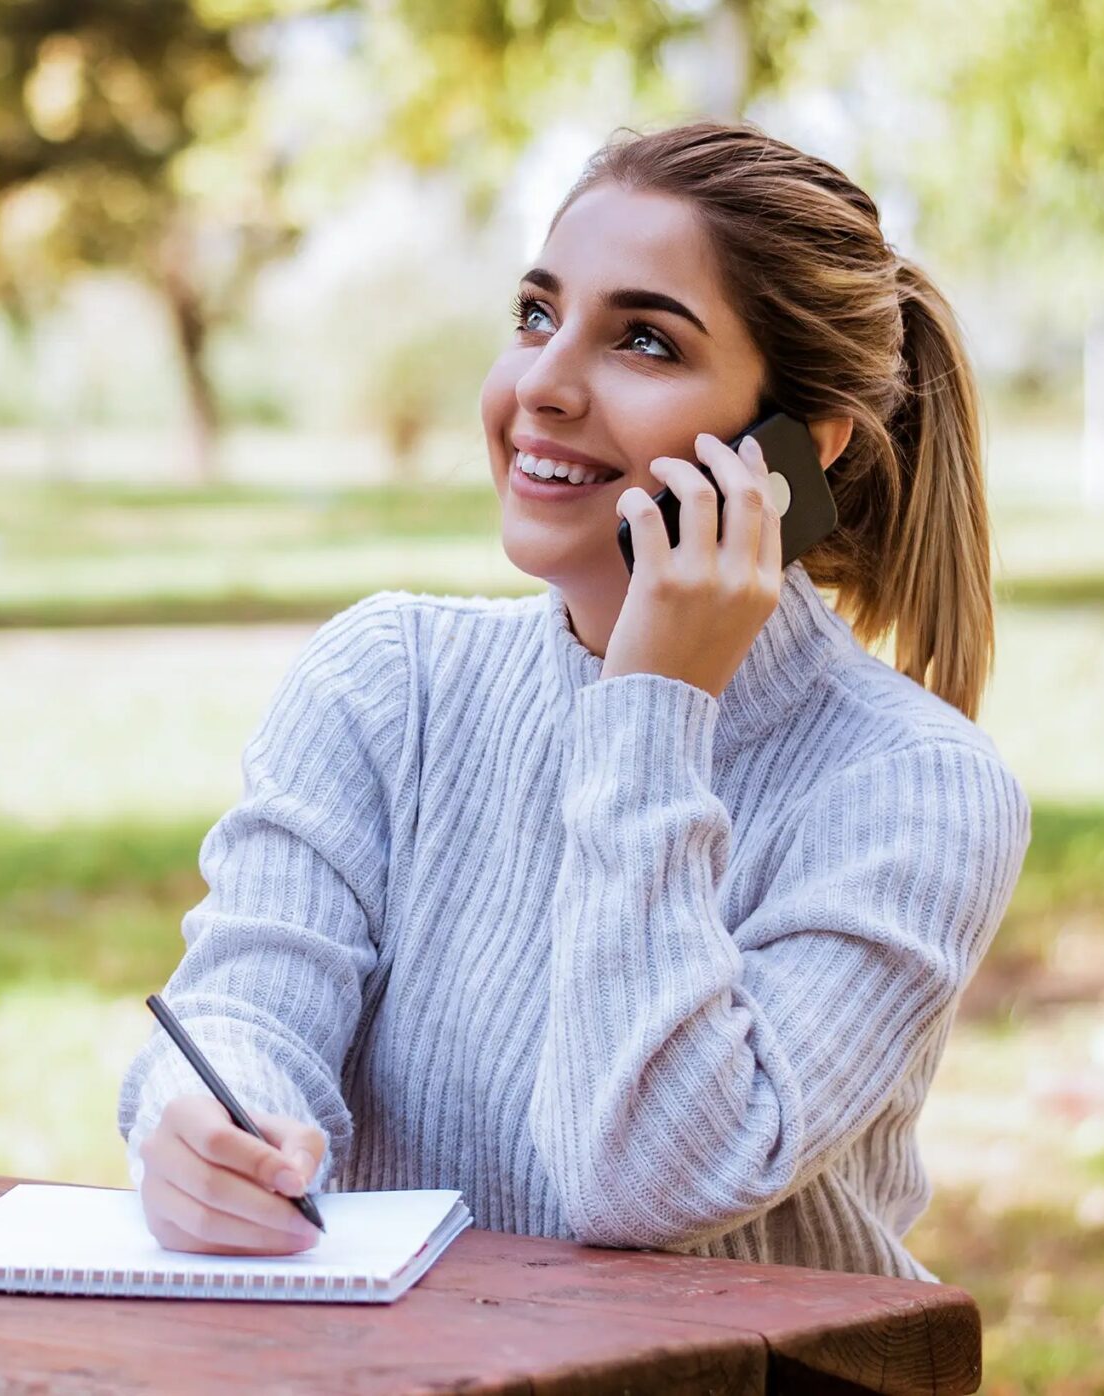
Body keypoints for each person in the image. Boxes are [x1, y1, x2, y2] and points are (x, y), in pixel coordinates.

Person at [117, 121, 1033, 1281]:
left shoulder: (913, 786)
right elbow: (246, 1009)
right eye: (536, 316)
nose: (541, 385)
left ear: (797, 449)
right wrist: (205, 1125)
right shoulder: (387, 679)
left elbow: (645, 1179)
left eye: (644, 341)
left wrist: (650, 705)